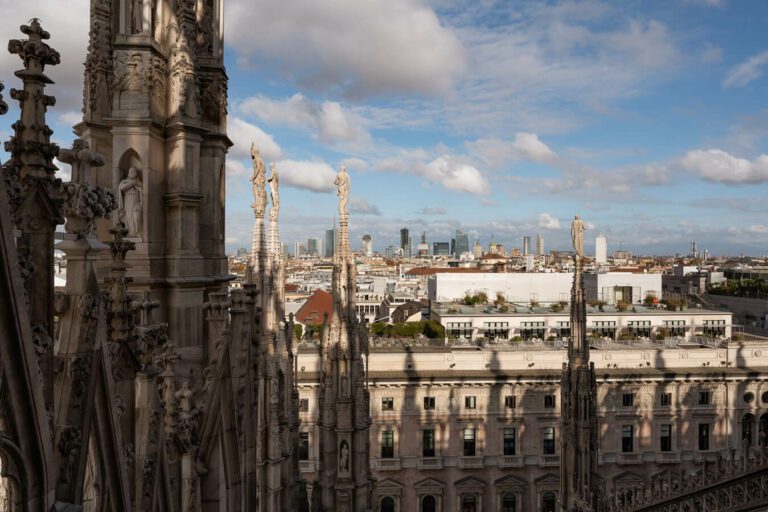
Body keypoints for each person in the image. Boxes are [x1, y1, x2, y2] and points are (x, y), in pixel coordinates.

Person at [118, 167, 143, 237]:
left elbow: (142, 187)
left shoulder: (138, 182)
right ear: (128, 173)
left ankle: (138, 232)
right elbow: (122, 188)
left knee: (136, 216)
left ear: (136, 173)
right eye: (131, 171)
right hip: (128, 202)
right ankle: (130, 234)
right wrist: (133, 183)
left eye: (133, 171)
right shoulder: (125, 181)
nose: (132, 173)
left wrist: (136, 183)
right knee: (128, 218)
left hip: (136, 203)